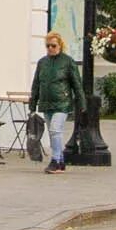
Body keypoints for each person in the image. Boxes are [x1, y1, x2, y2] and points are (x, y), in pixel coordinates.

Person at [29, 32, 85, 173]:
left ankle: (55, 160)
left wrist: (81, 102)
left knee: (55, 130)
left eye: (53, 45)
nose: (50, 48)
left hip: (62, 102)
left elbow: (77, 84)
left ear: (60, 45)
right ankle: (60, 162)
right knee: (53, 132)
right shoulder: (42, 63)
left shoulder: (67, 62)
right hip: (46, 102)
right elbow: (36, 84)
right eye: (48, 46)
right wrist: (32, 104)